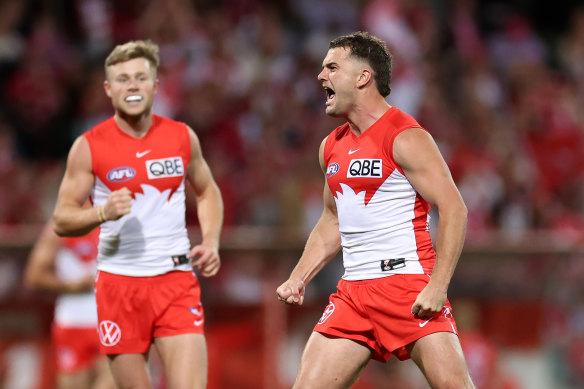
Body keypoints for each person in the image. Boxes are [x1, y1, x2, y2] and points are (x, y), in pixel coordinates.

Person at [276, 31, 475, 388]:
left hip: (408, 286)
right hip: (353, 293)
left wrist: (438, 286)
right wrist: (299, 277)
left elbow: (454, 209)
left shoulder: (406, 136)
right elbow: (332, 220)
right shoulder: (331, 146)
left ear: (363, 77)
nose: (321, 77)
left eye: (332, 67)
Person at [52, 40, 223, 389]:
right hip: (118, 285)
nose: (132, 85)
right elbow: (61, 219)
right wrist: (102, 211)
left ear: (156, 85)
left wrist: (211, 241)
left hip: (175, 280)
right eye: (123, 79)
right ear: (108, 89)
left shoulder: (181, 136)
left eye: (141, 78)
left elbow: (207, 191)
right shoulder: (89, 146)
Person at [24, 222, 115, 389]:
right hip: (73, 321)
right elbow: (34, 276)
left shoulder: (117, 222)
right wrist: (73, 286)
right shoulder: (60, 227)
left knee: (115, 381)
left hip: (110, 320)